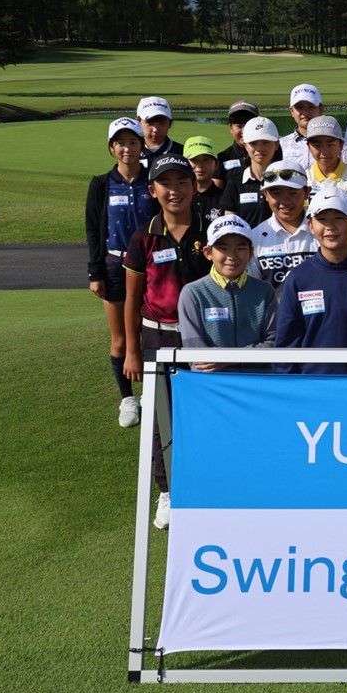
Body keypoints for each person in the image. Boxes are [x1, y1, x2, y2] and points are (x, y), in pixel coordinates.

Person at [121, 154, 211, 530]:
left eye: (182, 182)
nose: (175, 191)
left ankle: (206, 485)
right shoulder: (143, 237)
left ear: (194, 186)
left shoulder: (210, 229)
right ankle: (168, 489)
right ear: (153, 190)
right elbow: (131, 298)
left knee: (204, 411)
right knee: (162, 417)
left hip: (204, 335)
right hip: (157, 335)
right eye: (166, 184)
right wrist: (131, 350)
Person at [85, 117, 157, 428]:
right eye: (120, 142)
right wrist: (95, 272)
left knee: (151, 333)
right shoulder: (101, 184)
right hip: (114, 264)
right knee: (121, 339)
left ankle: (152, 395)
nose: (127, 148)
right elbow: (93, 229)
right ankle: (128, 399)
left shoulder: (153, 179)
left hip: (151, 265)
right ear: (111, 147)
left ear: (141, 145)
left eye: (132, 142)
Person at [273, 187, 347, 375]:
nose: (330, 227)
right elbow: (286, 343)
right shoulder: (298, 278)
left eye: (339, 218)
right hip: (312, 385)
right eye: (322, 219)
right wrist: (287, 386)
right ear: (311, 226)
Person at [177, 215, 278, 367]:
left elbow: (274, 343)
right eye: (223, 248)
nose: (232, 256)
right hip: (211, 380)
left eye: (240, 248)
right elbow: (196, 354)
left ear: (251, 253)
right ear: (208, 252)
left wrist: (230, 359)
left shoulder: (265, 291)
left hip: (257, 379)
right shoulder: (193, 293)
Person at [248, 160, 317, 291]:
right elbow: (252, 290)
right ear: (265, 195)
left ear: (307, 192)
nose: (285, 201)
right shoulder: (255, 237)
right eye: (276, 193)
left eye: (292, 192)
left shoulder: (323, 232)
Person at [218, 116, 281, 228]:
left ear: (276, 144)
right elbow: (230, 225)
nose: (259, 148)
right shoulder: (235, 181)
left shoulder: (286, 178)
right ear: (245, 145)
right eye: (254, 143)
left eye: (265, 142)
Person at [303, 115, 347, 198]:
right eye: (317, 145)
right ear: (308, 147)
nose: (324, 152)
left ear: (341, 145)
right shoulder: (304, 178)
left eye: (330, 145)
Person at [215, 100, 262, 185]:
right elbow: (217, 189)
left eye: (248, 125)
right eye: (239, 126)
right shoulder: (223, 157)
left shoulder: (269, 153)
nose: (244, 130)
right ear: (231, 128)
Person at [183, 135, 223, 228]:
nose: (200, 165)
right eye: (193, 159)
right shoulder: (178, 198)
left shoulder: (225, 199)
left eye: (206, 159)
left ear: (216, 164)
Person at [282, 83, 323, 172]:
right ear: (292, 111)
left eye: (311, 107)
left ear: (320, 109)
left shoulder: (337, 144)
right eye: (299, 107)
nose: (305, 112)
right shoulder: (280, 145)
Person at [135, 96, 182, 168]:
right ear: (138, 122)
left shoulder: (182, 154)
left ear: (170, 123)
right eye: (150, 122)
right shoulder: (129, 153)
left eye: (162, 123)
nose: (155, 129)